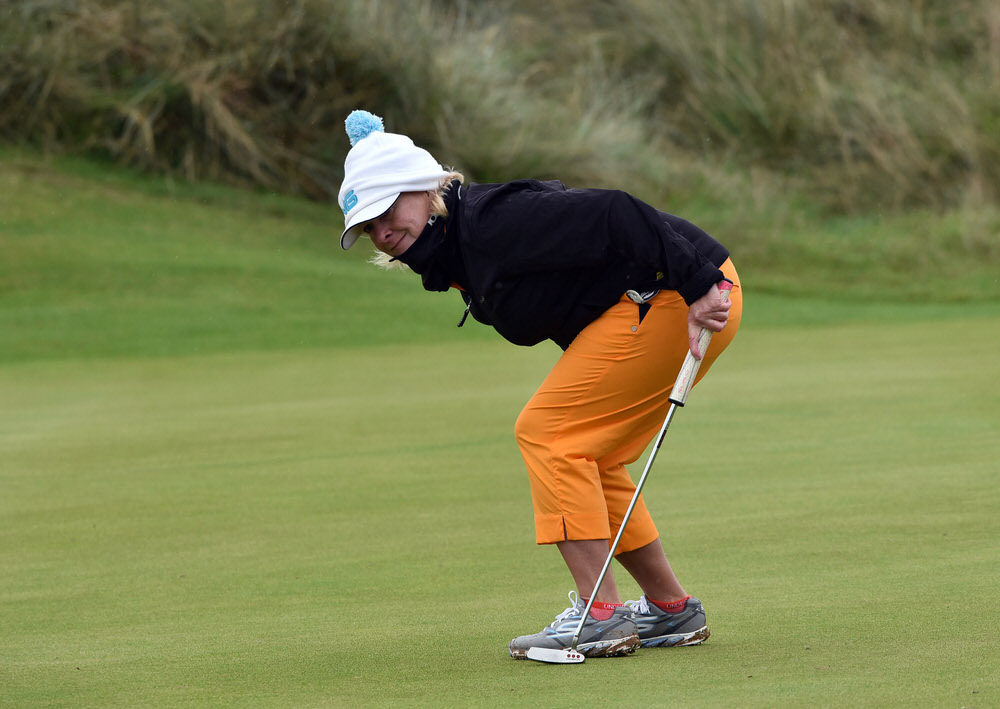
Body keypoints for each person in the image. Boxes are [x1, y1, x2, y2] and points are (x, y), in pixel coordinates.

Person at [338, 110, 742, 659]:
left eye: (387, 209)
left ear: (425, 189)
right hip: (667, 298)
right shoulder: (458, 254)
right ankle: (671, 609)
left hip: (683, 295)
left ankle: (599, 616)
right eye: (369, 225)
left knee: (549, 432)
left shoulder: (492, 221)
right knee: (590, 454)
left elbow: (615, 212)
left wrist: (698, 285)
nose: (382, 230)